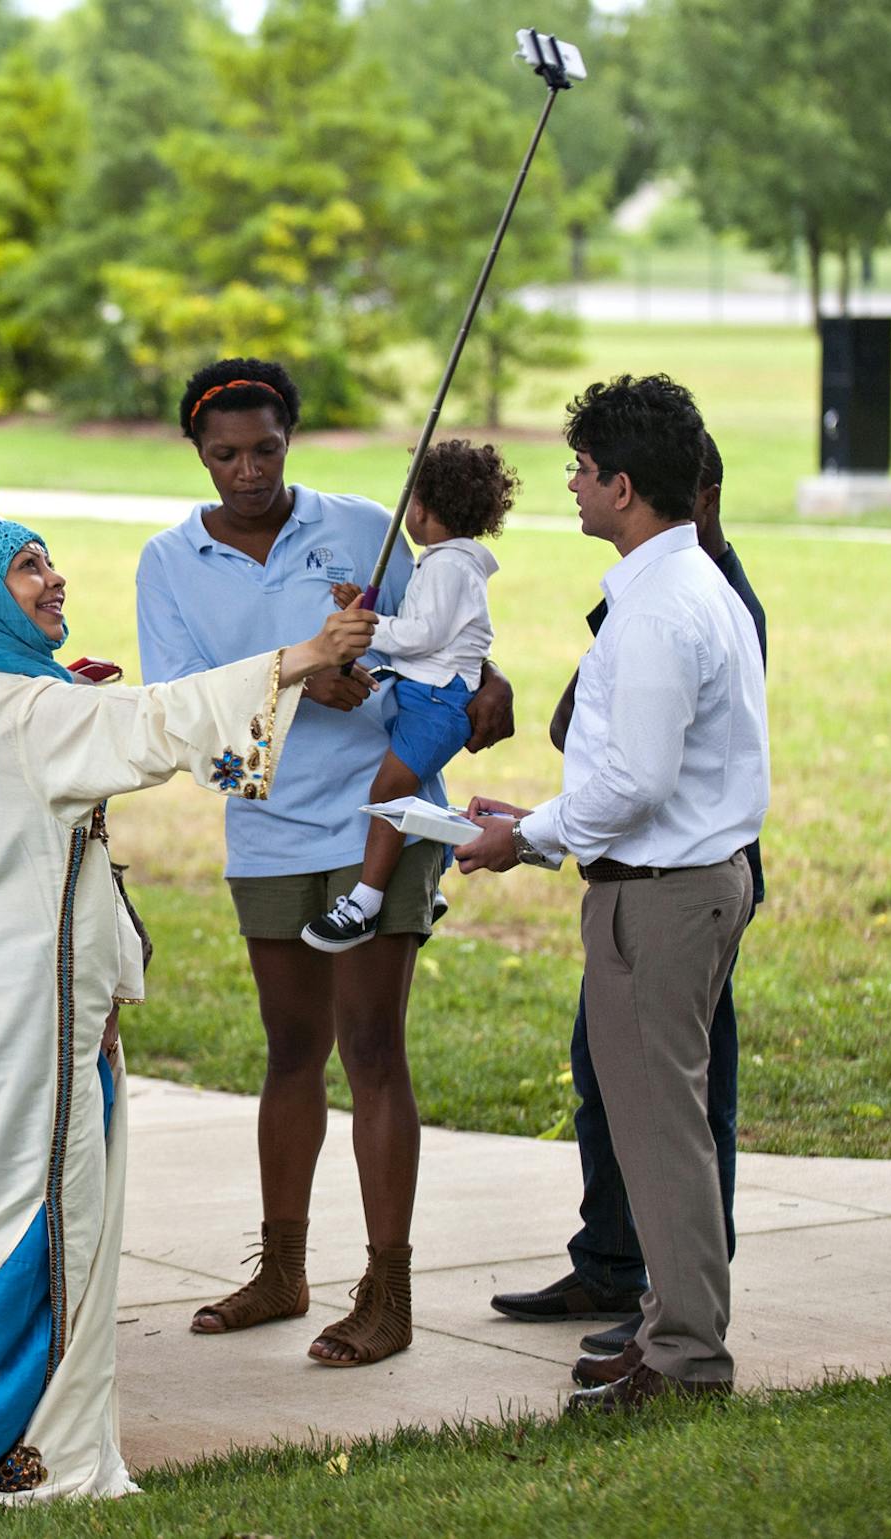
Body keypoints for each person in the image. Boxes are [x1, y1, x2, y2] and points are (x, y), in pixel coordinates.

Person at [0, 510, 378, 1508]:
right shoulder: (19, 713)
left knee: (16, 1230)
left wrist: (105, 980)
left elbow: (72, 812)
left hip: (18, 1017)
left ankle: (15, 1458)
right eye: (27, 569)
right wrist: (303, 655)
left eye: (50, 560)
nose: (54, 579)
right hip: (22, 1027)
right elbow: (151, 729)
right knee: (30, 1235)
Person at [135, 358, 514, 1367]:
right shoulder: (168, 562)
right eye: (225, 455)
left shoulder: (360, 527)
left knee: (372, 1048)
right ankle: (283, 1270)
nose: (248, 471)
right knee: (290, 1049)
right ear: (198, 453)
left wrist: (491, 682)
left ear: (289, 439)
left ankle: (387, 1293)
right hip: (264, 827)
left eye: (265, 449)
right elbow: (176, 716)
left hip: (374, 823)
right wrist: (302, 683)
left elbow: (447, 629)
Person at [455, 375, 768, 1412]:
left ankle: (684, 1359)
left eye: (583, 471)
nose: (574, 485)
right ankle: (674, 1337)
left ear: (625, 487)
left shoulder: (659, 609)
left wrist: (525, 839)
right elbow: (637, 769)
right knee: (661, 1126)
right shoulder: (692, 585)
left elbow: (637, 785)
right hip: (684, 880)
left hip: (662, 897)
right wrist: (543, 816)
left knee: (660, 1135)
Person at [306, 439, 515, 951]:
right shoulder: (446, 561)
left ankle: (365, 902)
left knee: (389, 794)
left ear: (421, 508)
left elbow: (422, 635)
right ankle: (431, 878)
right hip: (426, 696)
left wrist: (364, 628)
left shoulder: (447, 566)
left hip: (439, 704)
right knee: (411, 787)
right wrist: (363, 604)